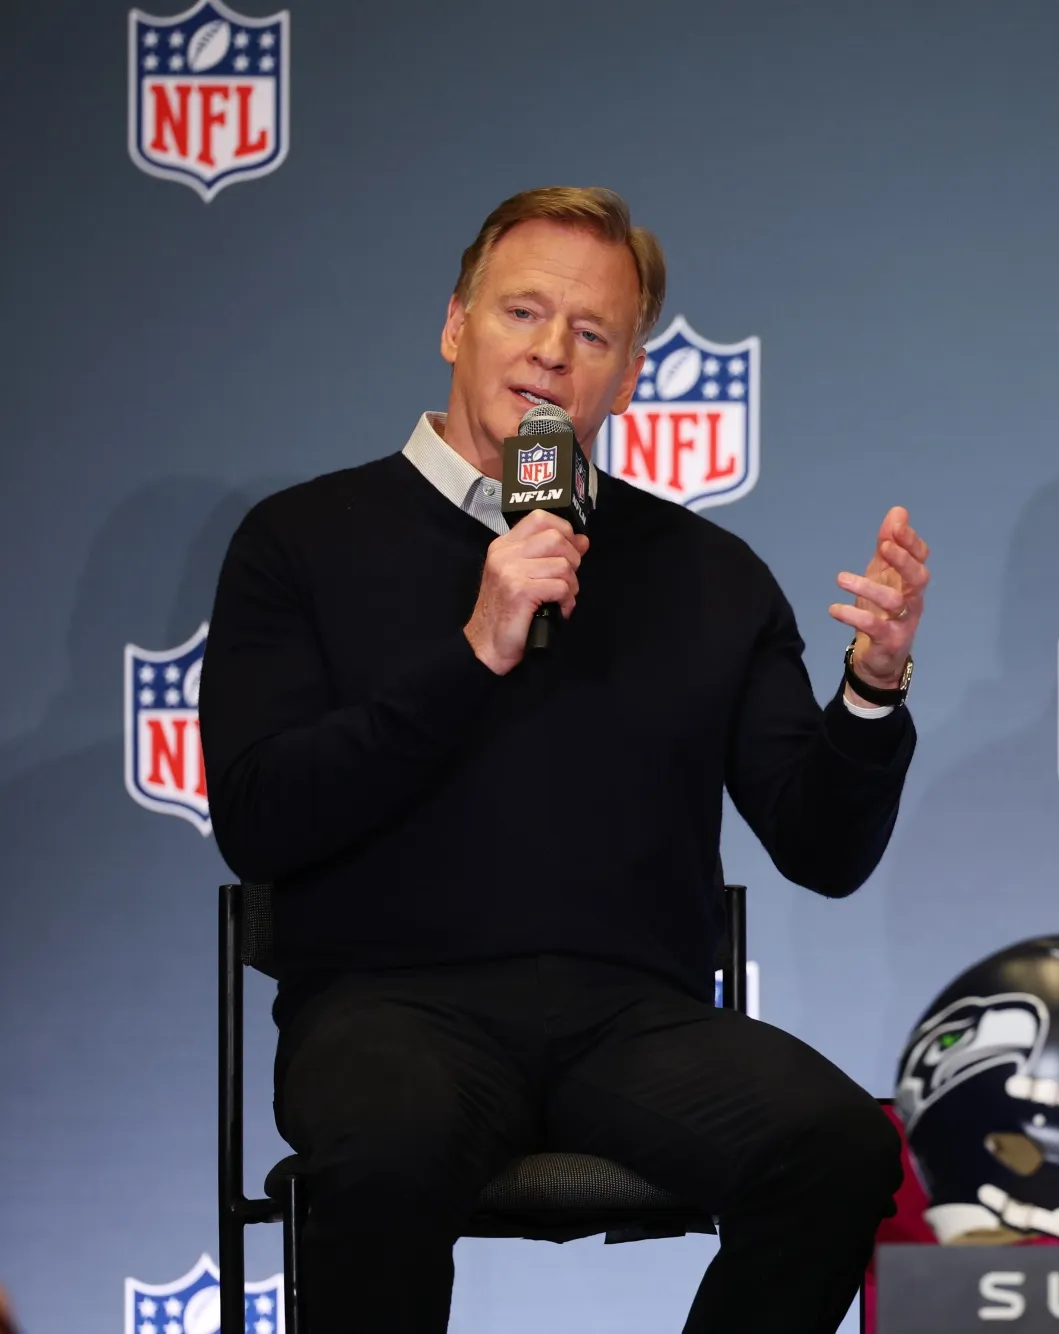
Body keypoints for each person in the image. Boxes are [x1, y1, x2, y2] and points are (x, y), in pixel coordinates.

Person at [199, 186, 929, 1334]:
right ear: (454, 324)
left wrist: (872, 689)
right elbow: (258, 815)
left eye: (591, 333)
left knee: (838, 1147)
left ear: (628, 374)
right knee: (383, 1150)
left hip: (629, 1021)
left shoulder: (707, 571)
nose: (549, 352)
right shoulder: (300, 540)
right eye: (521, 312)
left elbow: (821, 844)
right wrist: (474, 650)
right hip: (387, 1007)